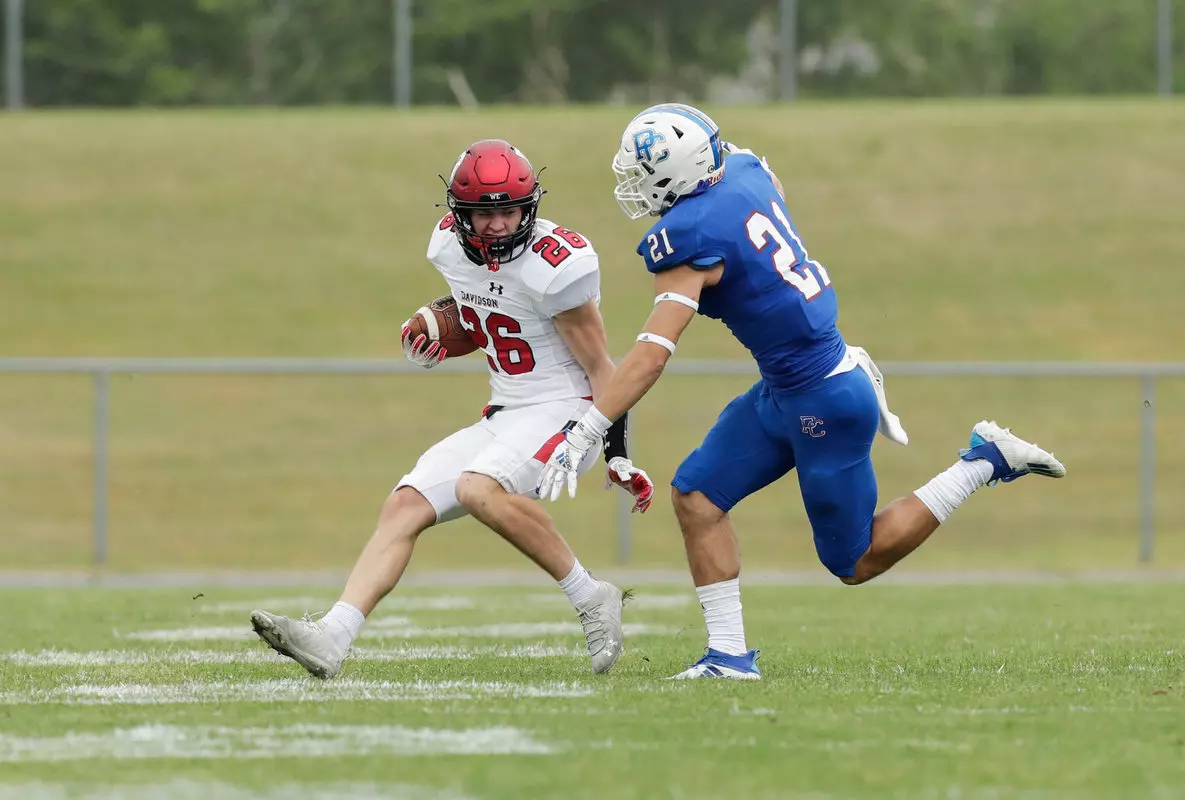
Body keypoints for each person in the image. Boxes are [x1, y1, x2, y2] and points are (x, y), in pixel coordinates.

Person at [535, 104, 1065, 680]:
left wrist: (592, 425)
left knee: (855, 561)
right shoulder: (741, 169)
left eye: (643, 172)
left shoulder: (688, 238)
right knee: (696, 497)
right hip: (785, 386)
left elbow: (651, 353)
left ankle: (983, 460)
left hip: (826, 401)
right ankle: (729, 658)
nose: (634, 186)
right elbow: (767, 188)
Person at [251, 139, 654, 679]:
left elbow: (604, 366)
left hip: (569, 410)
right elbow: (487, 319)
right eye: (483, 214)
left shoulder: (557, 265)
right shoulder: (447, 248)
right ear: (458, 215)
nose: (496, 226)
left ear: (528, 207)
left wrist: (615, 450)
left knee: (475, 487)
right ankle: (332, 637)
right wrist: (439, 335)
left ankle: (591, 596)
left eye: (508, 211)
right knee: (405, 504)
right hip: (507, 410)